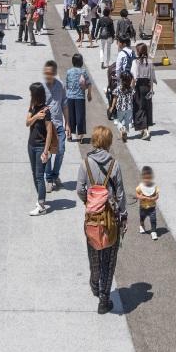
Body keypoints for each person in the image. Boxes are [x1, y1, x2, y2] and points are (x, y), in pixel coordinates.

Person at [77, 126, 127, 314]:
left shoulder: (85, 164)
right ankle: (104, 300)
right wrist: (123, 216)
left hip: (92, 217)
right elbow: (120, 194)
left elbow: (80, 189)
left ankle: (94, 282)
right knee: (110, 257)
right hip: (110, 219)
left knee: (94, 252)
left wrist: (89, 202)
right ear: (108, 142)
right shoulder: (115, 165)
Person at [26, 82, 58, 215]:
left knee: (39, 176)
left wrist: (46, 151)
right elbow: (27, 123)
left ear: (36, 95)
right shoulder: (32, 107)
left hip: (40, 147)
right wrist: (35, 117)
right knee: (34, 174)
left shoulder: (46, 111)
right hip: (31, 145)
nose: (30, 95)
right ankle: (40, 198)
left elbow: (49, 132)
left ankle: (41, 205)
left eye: (31, 93)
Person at [42, 60, 67, 192]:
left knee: (61, 150)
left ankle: (55, 175)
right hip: (46, 126)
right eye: (46, 73)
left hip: (59, 124)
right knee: (48, 153)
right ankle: (49, 180)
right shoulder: (42, 88)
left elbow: (64, 104)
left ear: (54, 73)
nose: (47, 75)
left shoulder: (61, 85)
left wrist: (67, 123)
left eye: (50, 73)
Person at [131, 42, 157, 140]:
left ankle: (144, 130)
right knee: (147, 107)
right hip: (147, 86)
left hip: (139, 86)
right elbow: (152, 77)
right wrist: (151, 88)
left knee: (139, 107)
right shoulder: (149, 62)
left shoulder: (135, 62)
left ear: (138, 52)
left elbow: (134, 76)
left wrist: (131, 88)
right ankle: (146, 128)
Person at [65, 52, 90, 142]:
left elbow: (66, 85)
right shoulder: (83, 71)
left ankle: (69, 135)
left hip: (70, 97)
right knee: (80, 116)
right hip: (80, 97)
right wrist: (89, 94)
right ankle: (80, 136)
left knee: (70, 116)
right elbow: (89, 83)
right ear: (81, 62)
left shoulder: (69, 71)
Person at [109, 70, 136, 142]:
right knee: (127, 122)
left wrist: (112, 107)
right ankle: (124, 134)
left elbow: (114, 98)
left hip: (120, 108)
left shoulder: (118, 88)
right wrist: (133, 79)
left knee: (119, 121)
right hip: (129, 108)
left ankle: (122, 130)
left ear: (121, 80)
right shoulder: (131, 89)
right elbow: (133, 93)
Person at [135, 165, 159, 240]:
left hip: (152, 208)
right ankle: (142, 226)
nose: (147, 180)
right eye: (145, 178)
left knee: (153, 219)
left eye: (149, 178)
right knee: (142, 218)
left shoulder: (154, 186)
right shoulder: (140, 187)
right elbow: (137, 195)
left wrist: (153, 198)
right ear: (143, 178)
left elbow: (157, 196)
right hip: (143, 207)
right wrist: (142, 197)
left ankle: (153, 231)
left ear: (152, 177)